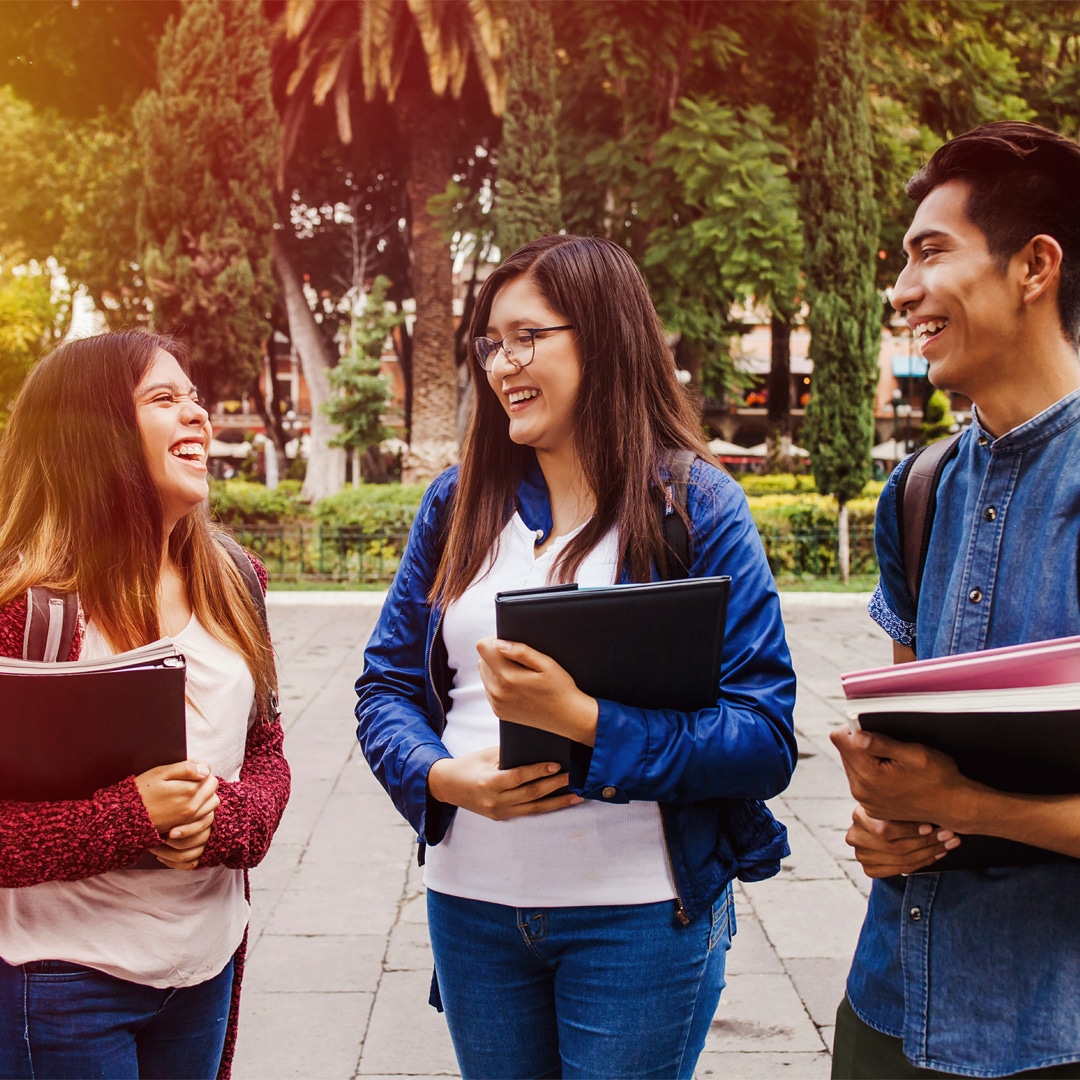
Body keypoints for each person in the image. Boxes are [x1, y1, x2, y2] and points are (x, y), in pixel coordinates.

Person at [355, 234, 797, 1079]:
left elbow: (764, 736)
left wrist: (583, 722)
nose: (501, 363)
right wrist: (445, 780)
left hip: (639, 917)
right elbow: (386, 687)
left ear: (603, 337)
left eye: (528, 337)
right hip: (472, 908)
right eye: (490, 343)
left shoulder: (695, 506)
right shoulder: (456, 505)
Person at [830, 121, 1080, 1078]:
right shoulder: (921, 488)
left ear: (1036, 266)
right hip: (891, 1007)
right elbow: (908, 756)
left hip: (1050, 1030)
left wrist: (968, 802)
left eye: (931, 253)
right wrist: (887, 820)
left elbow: (950, 788)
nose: (900, 292)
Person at [0, 330, 291, 1079]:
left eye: (193, 397)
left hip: (205, 967)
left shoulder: (235, 577)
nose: (198, 414)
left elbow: (265, 749)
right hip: (62, 983)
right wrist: (129, 818)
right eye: (165, 398)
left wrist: (228, 823)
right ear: (91, 435)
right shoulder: (24, 611)